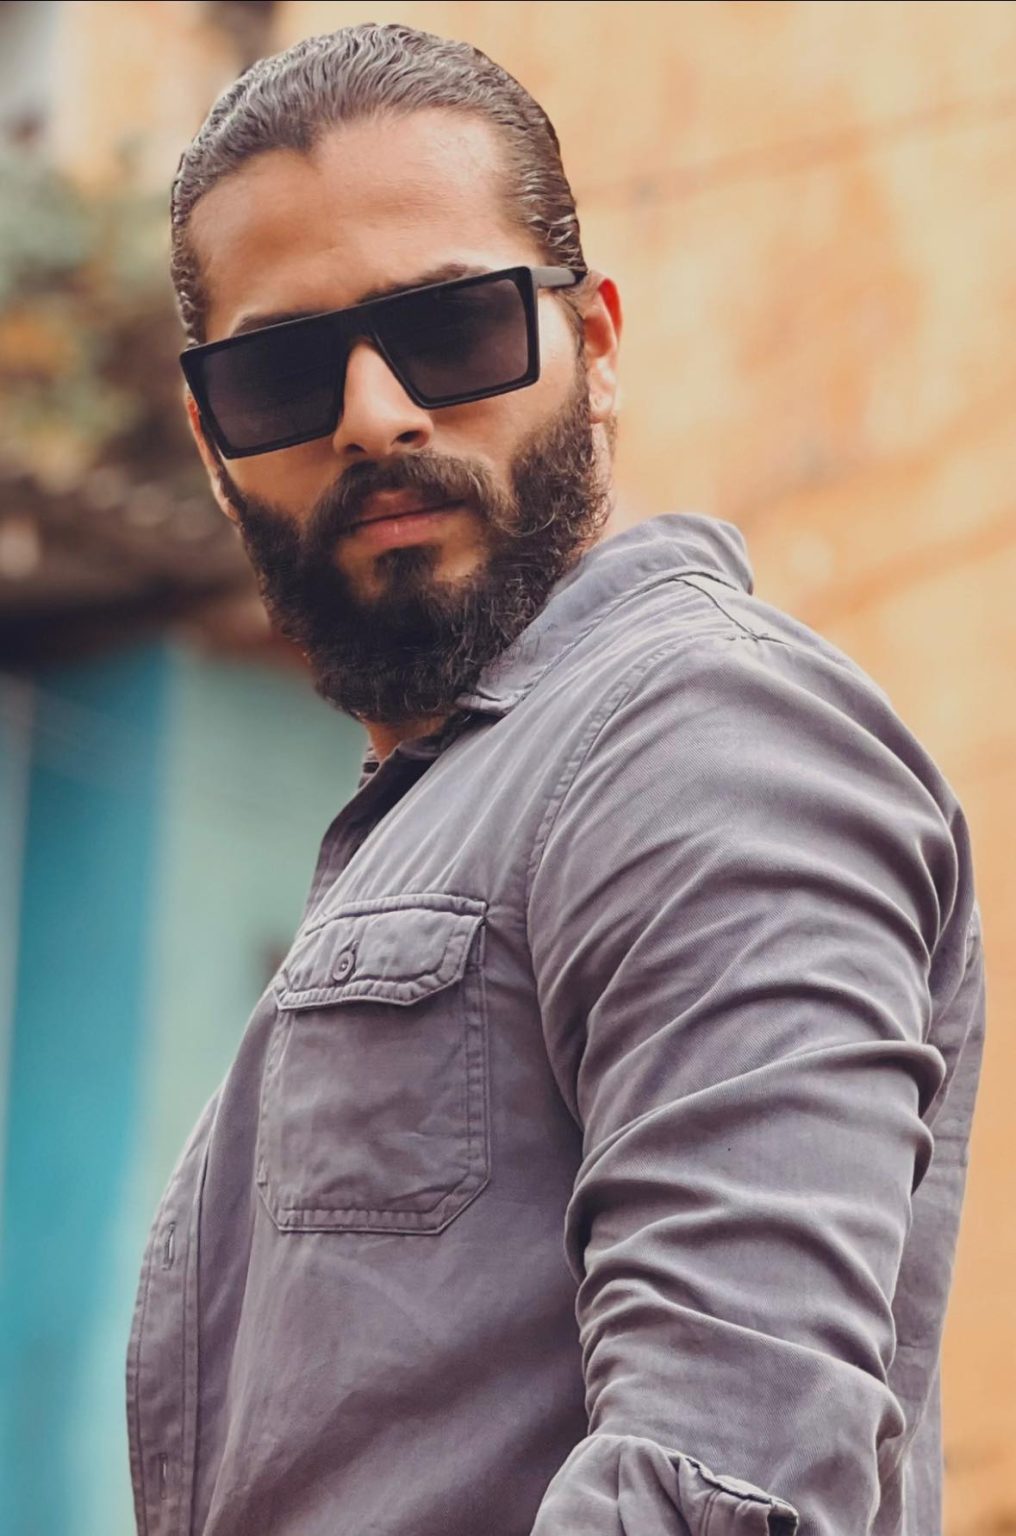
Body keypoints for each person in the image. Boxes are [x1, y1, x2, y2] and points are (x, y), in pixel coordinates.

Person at [128, 23, 985, 1536]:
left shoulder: (706, 740)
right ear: (212, 442)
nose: (376, 414)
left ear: (596, 347)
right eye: (283, 372)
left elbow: (731, 1474)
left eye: (452, 329)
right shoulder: (459, 799)